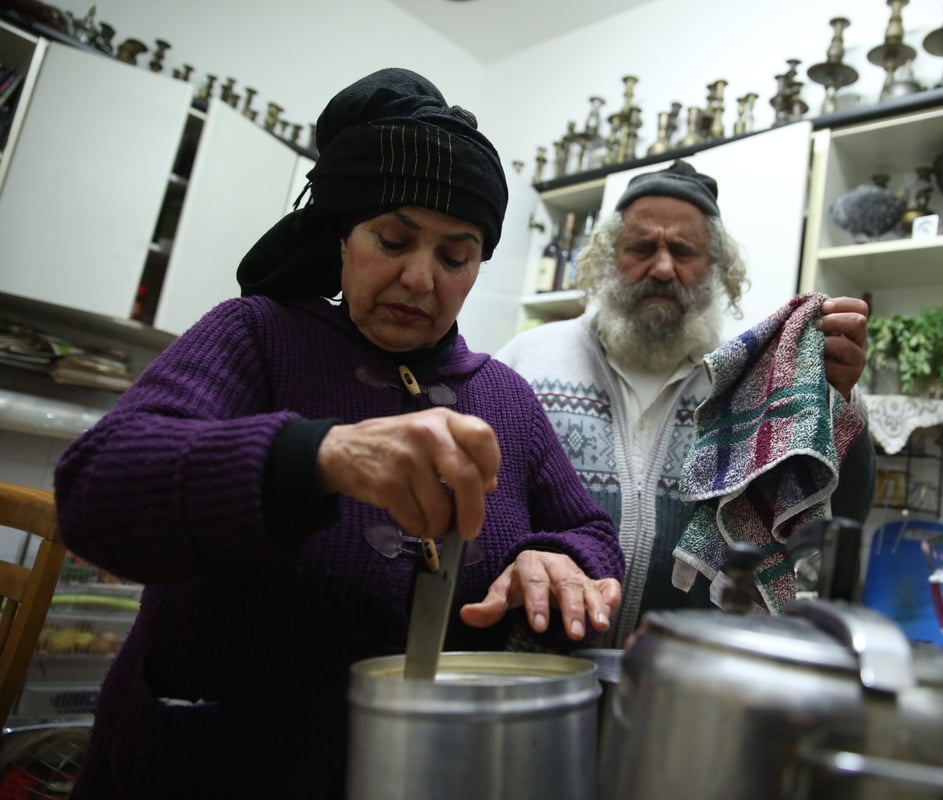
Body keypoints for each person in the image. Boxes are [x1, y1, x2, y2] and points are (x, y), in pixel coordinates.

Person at [52, 68, 624, 799]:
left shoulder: (505, 398)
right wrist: (315, 457)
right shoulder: (255, 338)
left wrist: (560, 560)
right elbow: (97, 489)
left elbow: (588, 531)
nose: (421, 278)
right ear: (342, 237)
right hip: (214, 767)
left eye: (456, 256)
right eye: (393, 239)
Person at [496, 159, 874, 646]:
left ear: (716, 269)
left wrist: (838, 400)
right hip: (537, 678)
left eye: (683, 250)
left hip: (683, 686)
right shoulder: (526, 362)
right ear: (608, 258)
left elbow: (835, 519)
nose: (662, 267)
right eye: (641, 247)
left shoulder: (751, 384)